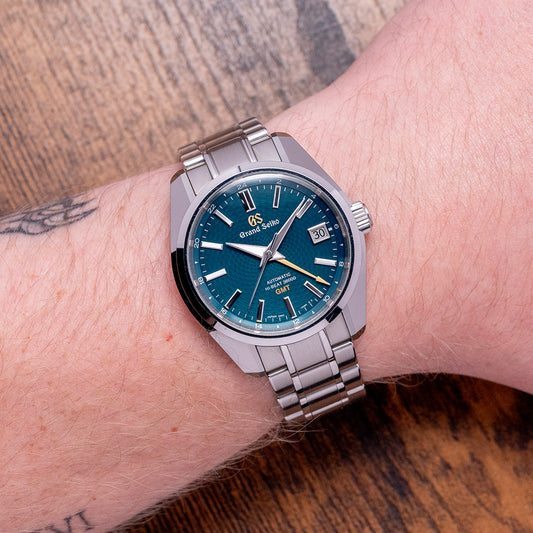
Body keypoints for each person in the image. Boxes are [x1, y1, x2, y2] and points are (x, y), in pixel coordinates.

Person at [0, 0, 531, 531]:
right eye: (267, 253)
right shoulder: (209, 264)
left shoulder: (315, 231)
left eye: (273, 250)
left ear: (353, 219)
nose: (272, 254)